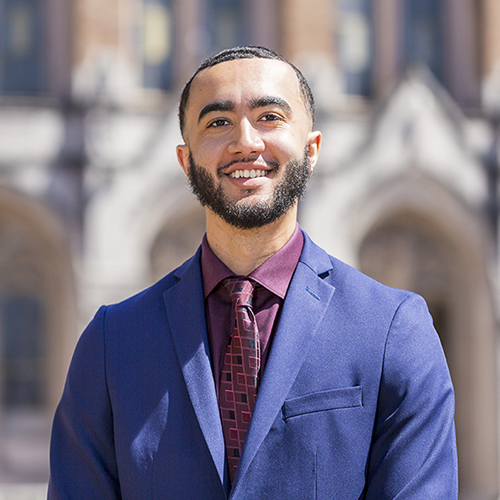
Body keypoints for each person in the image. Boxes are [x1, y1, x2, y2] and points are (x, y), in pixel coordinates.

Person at [48, 46, 458, 499]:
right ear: (185, 161)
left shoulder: (394, 329)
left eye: (270, 117)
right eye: (217, 122)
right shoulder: (112, 342)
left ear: (312, 149)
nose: (246, 140)